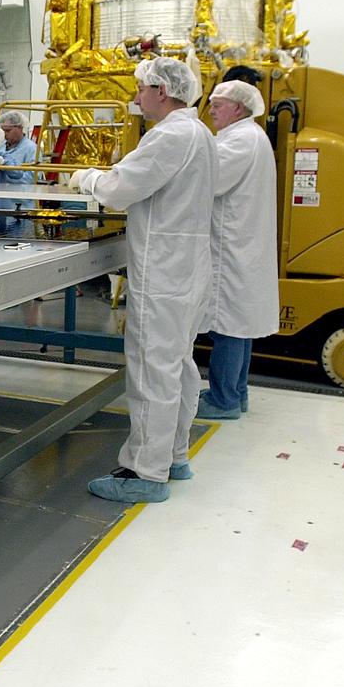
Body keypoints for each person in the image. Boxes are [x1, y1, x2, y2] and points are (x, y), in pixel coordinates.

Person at [72, 56, 216, 503]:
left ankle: (145, 473)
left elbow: (119, 188)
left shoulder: (171, 135)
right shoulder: (201, 134)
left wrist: (86, 178)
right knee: (178, 366)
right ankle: (174, 456)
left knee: (153, 370)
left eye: (140, 89)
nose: (136, 97)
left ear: (161, 91)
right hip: (188, 268)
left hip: (164, 271)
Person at [196, 80, 278, 420]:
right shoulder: (250, 136)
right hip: (243, 244)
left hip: (232, 246)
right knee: (240, 325)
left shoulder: (239, 141)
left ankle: (223, 399)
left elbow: (208, 181)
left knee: (227, 325)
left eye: (219, 103)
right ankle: (236, 392)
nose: (211, 108)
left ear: (240, 109)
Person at [0, 110, 38, 232]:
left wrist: (7, 173)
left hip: (22, 205)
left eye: (7, 131)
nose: (4, 134)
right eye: (2, 130)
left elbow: (31, 178)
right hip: (1, 204)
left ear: (19, 128)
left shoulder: (31, 149)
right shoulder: (0, 147)